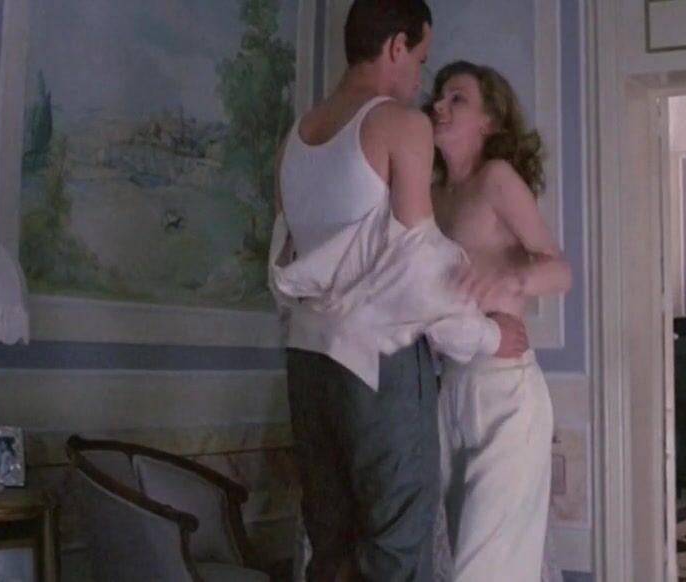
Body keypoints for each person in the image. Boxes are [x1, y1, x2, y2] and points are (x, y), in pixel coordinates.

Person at [268, 2, 528, 580]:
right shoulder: (399, 125)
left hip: (306, 362)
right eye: (420, 58)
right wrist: (489, 337)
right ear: (394, 47)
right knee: (396, 550)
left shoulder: (296, 137)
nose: (420, 79)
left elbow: (286, 257)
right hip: (375, 362)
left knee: (329, 547)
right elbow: (418, 268)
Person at [423, 61, 572, 581]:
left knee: (486, 570)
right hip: (448, 389)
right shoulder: (430, 194)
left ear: (489, 120)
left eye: (457, 98)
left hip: (505, 390)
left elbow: (560, 269)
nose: (439, 106)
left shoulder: (496, 179)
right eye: (438, 96)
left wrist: (510, 279)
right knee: (454, 559)